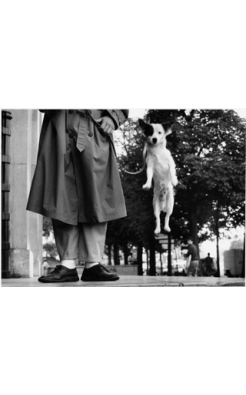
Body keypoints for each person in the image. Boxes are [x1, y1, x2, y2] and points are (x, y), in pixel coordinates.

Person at [27, 109, 128, 283]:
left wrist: (114, 116)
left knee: (97, 196)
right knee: (61, 194)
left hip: (95, 125)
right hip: (60, 126)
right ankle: (67, 264)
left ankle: (93, 263)